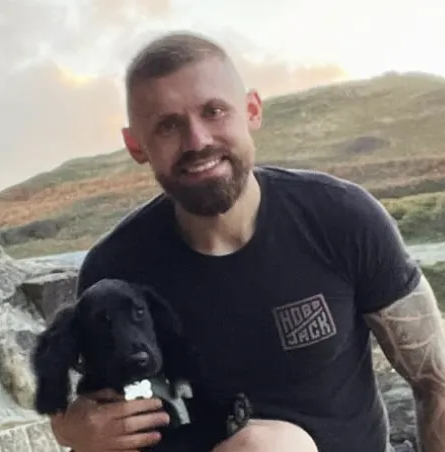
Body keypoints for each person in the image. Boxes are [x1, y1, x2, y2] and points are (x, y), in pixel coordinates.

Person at [48, 31, 445, 452]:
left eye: (214, 111)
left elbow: (435, 382)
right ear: (136, 145)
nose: (197, 141)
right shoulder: (114, 271)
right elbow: (87, 416)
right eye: (168, 126)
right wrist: (72, 431)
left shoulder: (341, 219)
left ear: (251, 110)